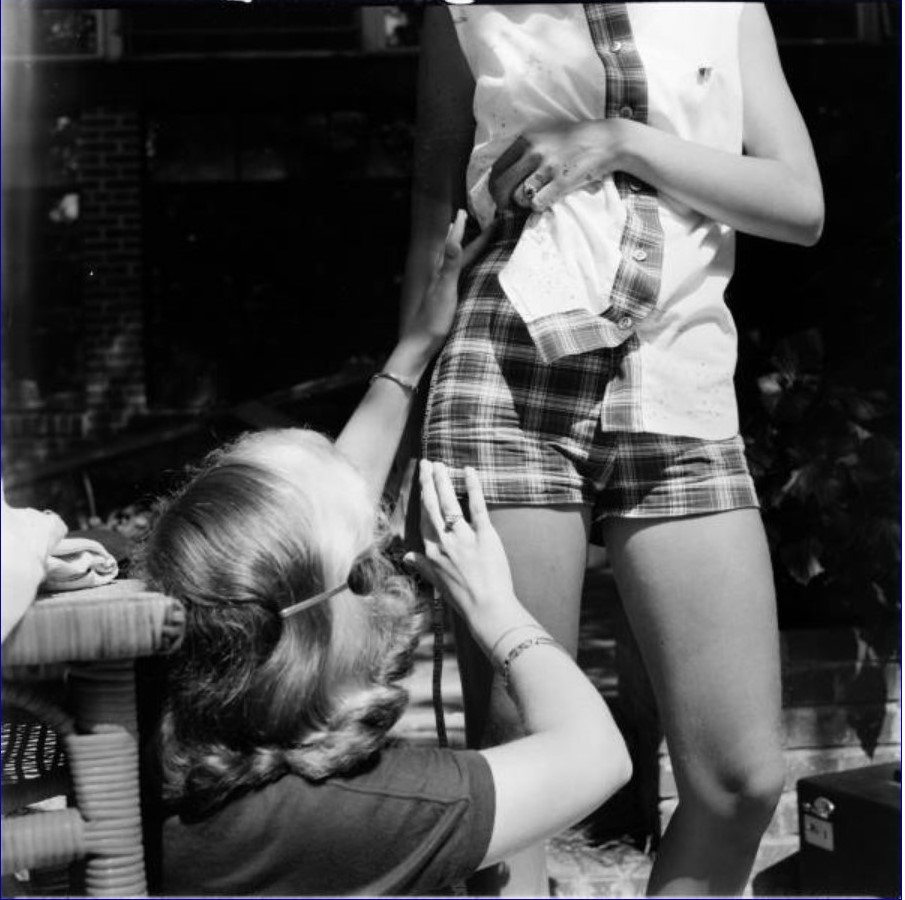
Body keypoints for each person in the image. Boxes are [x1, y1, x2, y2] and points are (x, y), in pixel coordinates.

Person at [401, 4, 824, 897]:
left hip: (680, 371)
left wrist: (620, 141)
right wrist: (406, 377)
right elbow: (432, 198)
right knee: (522, 775)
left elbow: (800, 203)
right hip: (506, 362)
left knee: (739, 779)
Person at [139, 213, 632, 897]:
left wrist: (411, 354)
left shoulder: (155, 717)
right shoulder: (373, 814)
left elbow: (289, 559)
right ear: (323, 619)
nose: (382, 563)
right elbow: (596, 757)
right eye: (369, 562)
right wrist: (498, 611)